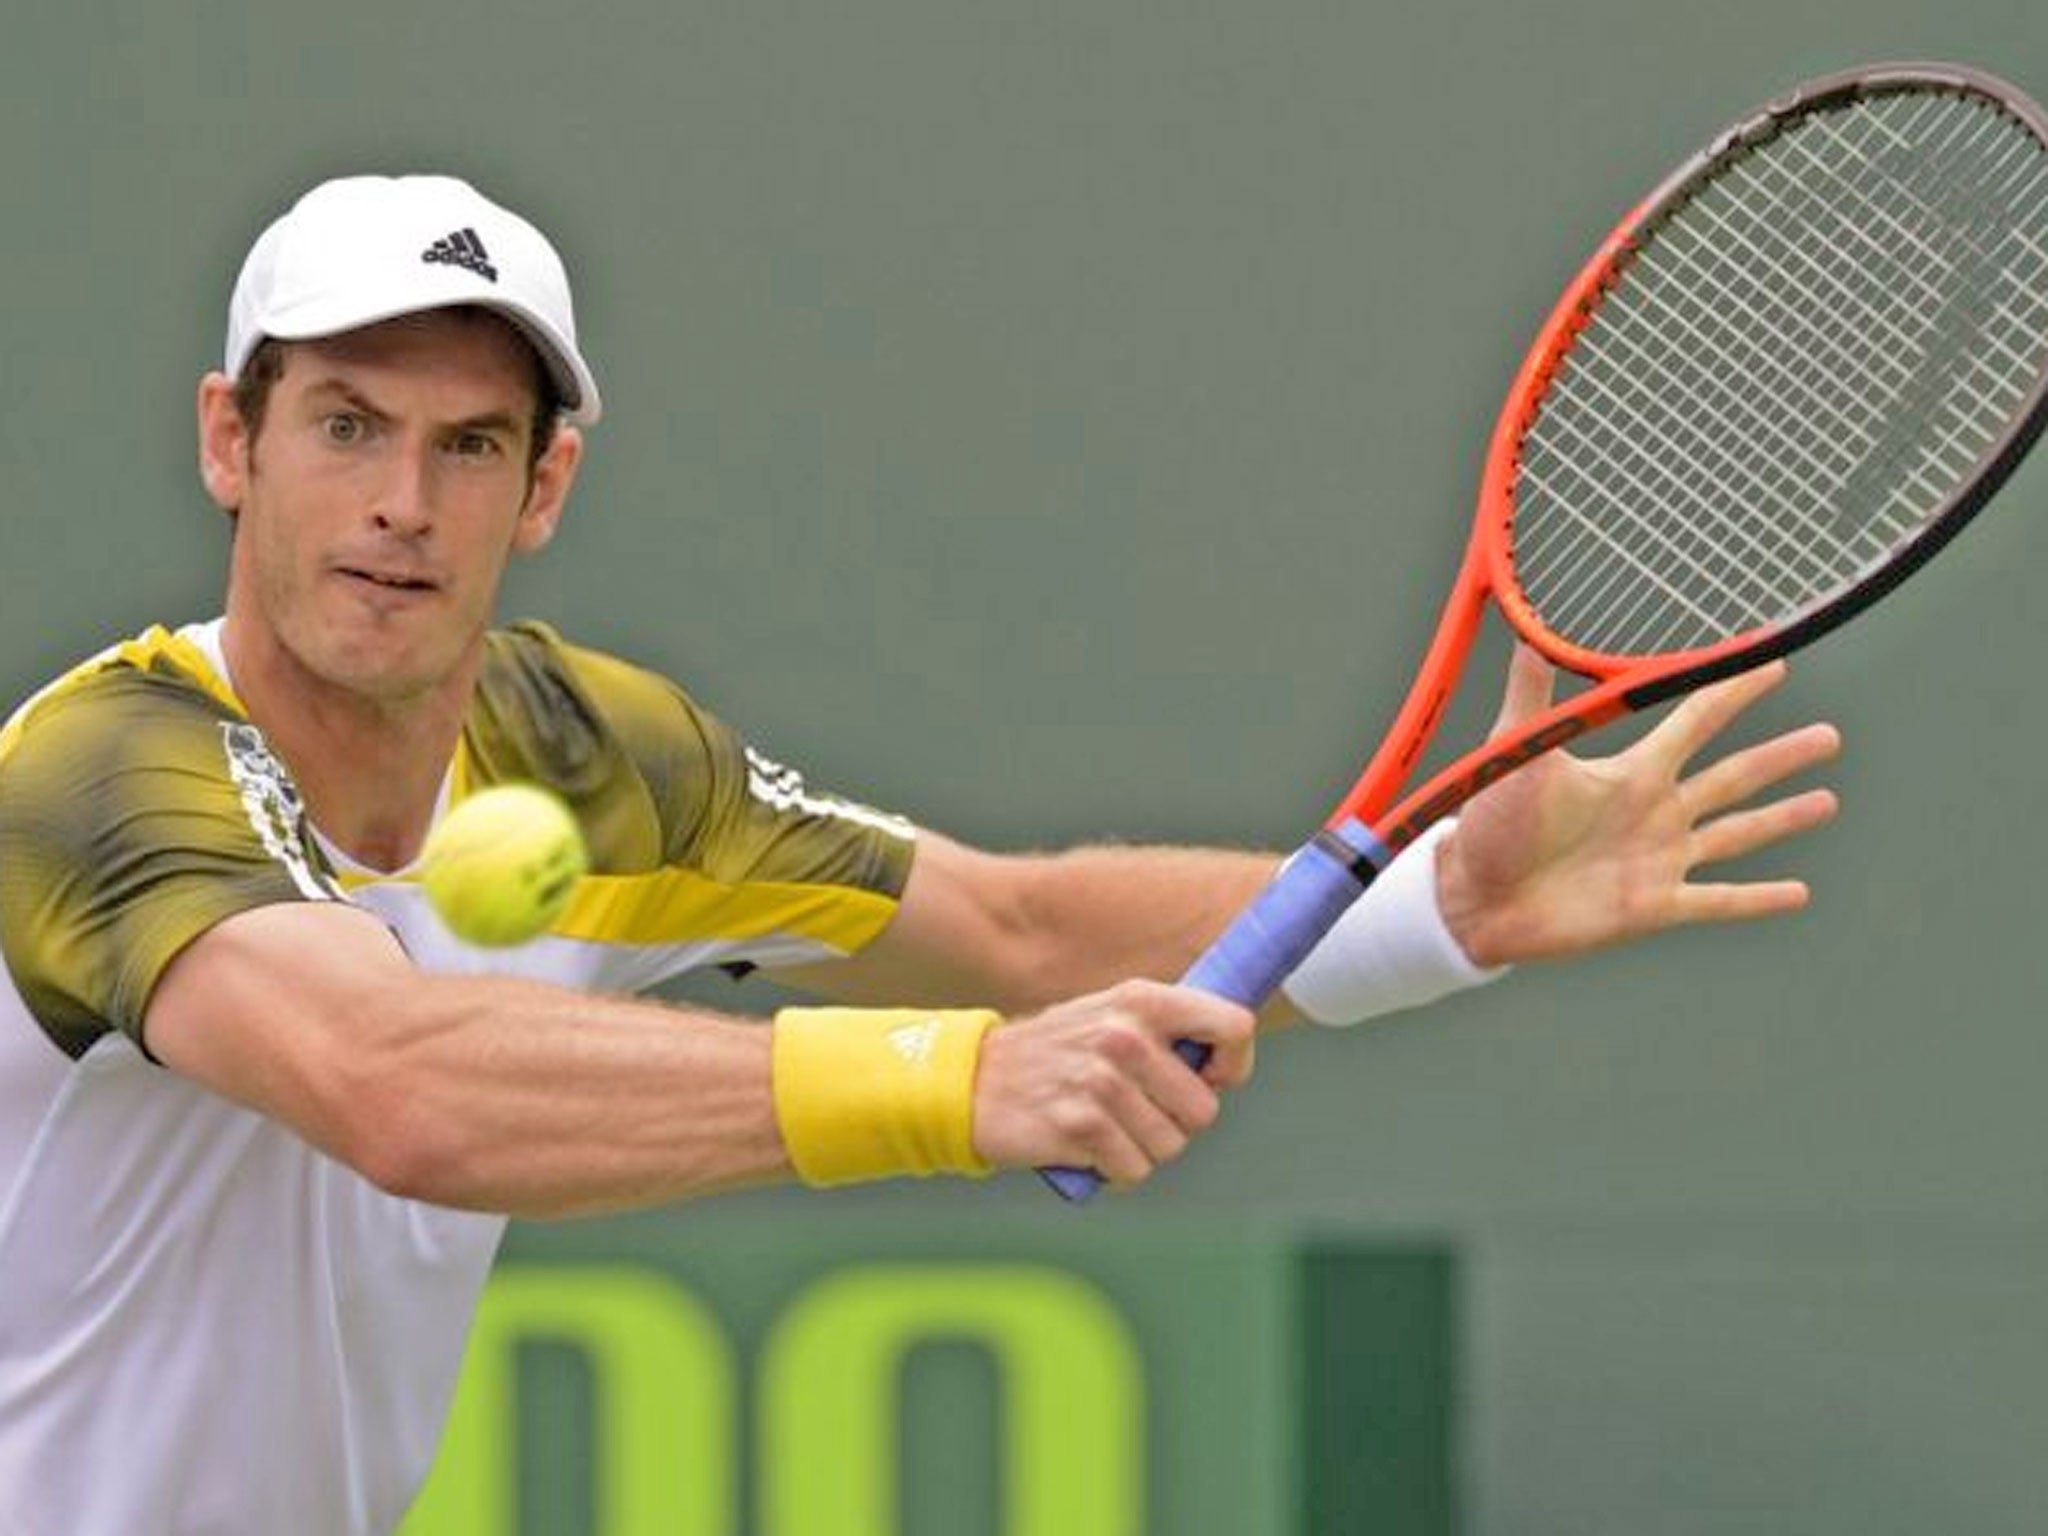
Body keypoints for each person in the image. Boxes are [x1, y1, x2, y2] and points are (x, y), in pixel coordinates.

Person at [0, 174, 1838, 1535]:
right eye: (345, 426)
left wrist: (1443, 900)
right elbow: (397, 1085)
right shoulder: (100, 773)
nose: (402, 505)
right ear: (230, 443)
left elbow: (1015, 924)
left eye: (469, 444)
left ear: (545, 487)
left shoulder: (586, 762)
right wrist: (958, 1088)